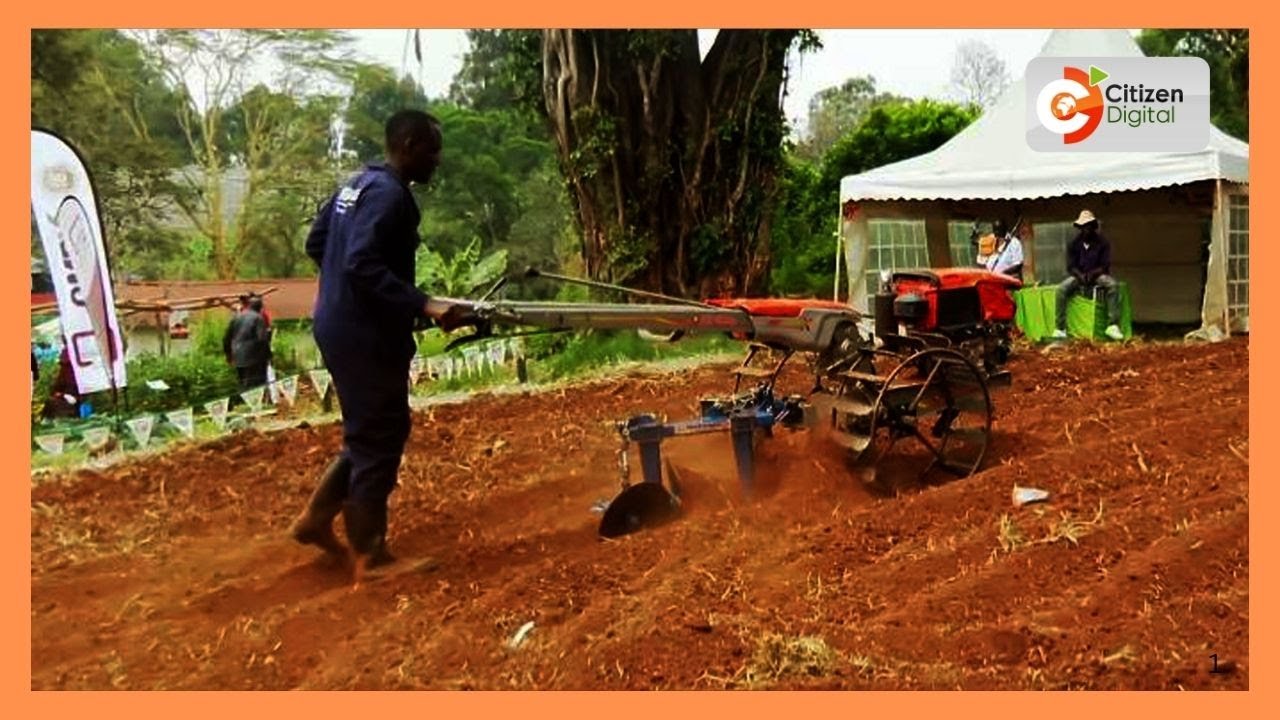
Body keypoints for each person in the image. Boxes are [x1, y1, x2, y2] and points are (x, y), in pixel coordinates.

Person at [289, 109, 457, 574]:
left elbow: (317, 244)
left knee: (373, 429)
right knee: (381, 434)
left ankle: (317, 518)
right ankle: (370, 553)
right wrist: (423, 304)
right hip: (364, 332)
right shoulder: (390, 196)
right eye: (432, 149)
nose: (437, 159)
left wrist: (346, 296)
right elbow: (361, 262)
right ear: (408, 145)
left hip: (338, 323)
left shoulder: (355, 185)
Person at [1051, 210, 1123, 341]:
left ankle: (1113, 325)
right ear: (1080, 228)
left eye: (1088, 226)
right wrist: (1080, 275)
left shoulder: (1103, 242)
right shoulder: (1074, 244)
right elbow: (1071, 266)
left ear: (1093, 226)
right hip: (1079, 276)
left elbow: (1105, 265)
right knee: (1061, 289)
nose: (1086, 229)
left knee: (1113, 285)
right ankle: (1060, 328)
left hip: (1098, 276)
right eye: (1083, 227)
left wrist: (1093, 274)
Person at [222, 294, 272, 390]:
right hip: (255, 358)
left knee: (243, 384)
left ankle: (244, 403)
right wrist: (268, 355)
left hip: (238, 356)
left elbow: (226, 338)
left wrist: (228, 354)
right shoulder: (258, 318)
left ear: (249, 305)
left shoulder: (236, 317)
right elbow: (262, 339)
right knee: (256, 386)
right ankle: (256, 404)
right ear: (260, 308)